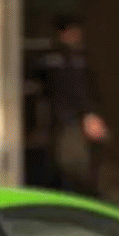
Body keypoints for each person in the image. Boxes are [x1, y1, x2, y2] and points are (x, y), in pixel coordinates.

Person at [27, 12, 108, 197]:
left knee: (73, 163)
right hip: (66, 120)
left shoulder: (72, 58)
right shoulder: (67, 60)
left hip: (64, 120)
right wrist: (89, 114)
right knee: (72, 165)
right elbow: (77, 91)